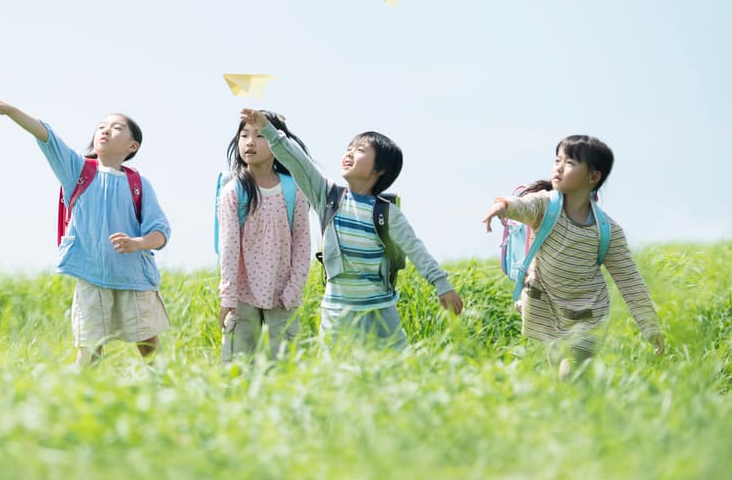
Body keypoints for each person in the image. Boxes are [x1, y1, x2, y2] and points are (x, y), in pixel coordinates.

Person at [0, 90, 170, 366]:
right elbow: (47, 137)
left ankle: (164, 389)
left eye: (116, 128)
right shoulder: (78, 172)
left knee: (148, 345)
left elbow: (160, 232)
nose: (106, 130)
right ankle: (77, 398)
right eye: (101, 126)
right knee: (89, 348)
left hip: (134, 279)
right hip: (90, 276)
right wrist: (11, 111)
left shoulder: (139, 184)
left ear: (132, 146)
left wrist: (138, 243)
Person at [239, 109, 463, 349]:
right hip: (337, 314)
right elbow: (298, 163)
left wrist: (442, 284)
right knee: (337, 376)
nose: (349, 153)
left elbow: (416, 250)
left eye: (360, 150)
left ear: (380, 169)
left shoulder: (387, 214)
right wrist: (269, 131)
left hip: (380, 313)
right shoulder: (327, 196)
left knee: (397, 373)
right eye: (349, 148)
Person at [482, 135, 664, 377]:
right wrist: (504, 206)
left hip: (589, 316)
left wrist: (650, 326)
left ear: (593, 177)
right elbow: (525, 205)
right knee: (562, 375)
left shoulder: (607, 230)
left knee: (569, 375)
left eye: (570, 163)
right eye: (557, 159)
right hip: (548, 310)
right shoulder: (545, 207)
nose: (558, 166)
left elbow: (629, 280)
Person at [217, 112, 313, 362]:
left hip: (283, 295)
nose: (250, 142)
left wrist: (293, 290)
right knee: (237, 366)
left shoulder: (293, 189)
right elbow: (228, 248)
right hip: (242, 295)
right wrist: (227, 297)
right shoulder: (234, 191)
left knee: (283, 368)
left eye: (260, 135)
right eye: (244, 135)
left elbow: (302, 245)